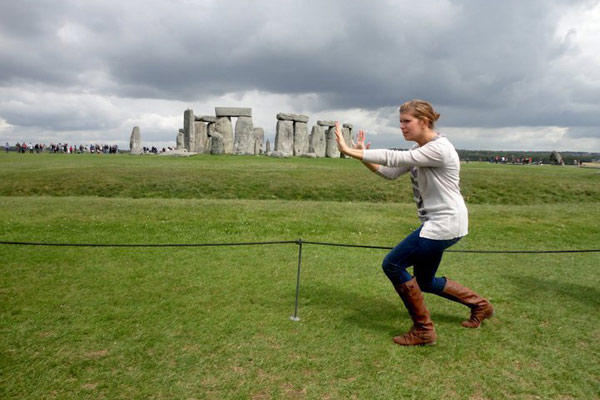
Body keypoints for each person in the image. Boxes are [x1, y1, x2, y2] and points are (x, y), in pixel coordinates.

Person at [334, 99, 493, 346]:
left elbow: (393, 158)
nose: (402, 127)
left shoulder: (438, 148)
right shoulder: (422, 150)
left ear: (425, 121)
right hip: (443, 224)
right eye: (400, 122)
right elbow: (388, 171)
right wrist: (361, 155)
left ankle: (423, 330)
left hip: (444, 224)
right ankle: (480, 306)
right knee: (425, 281)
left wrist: (349, 151)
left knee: (393, 264)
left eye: (406, 121)